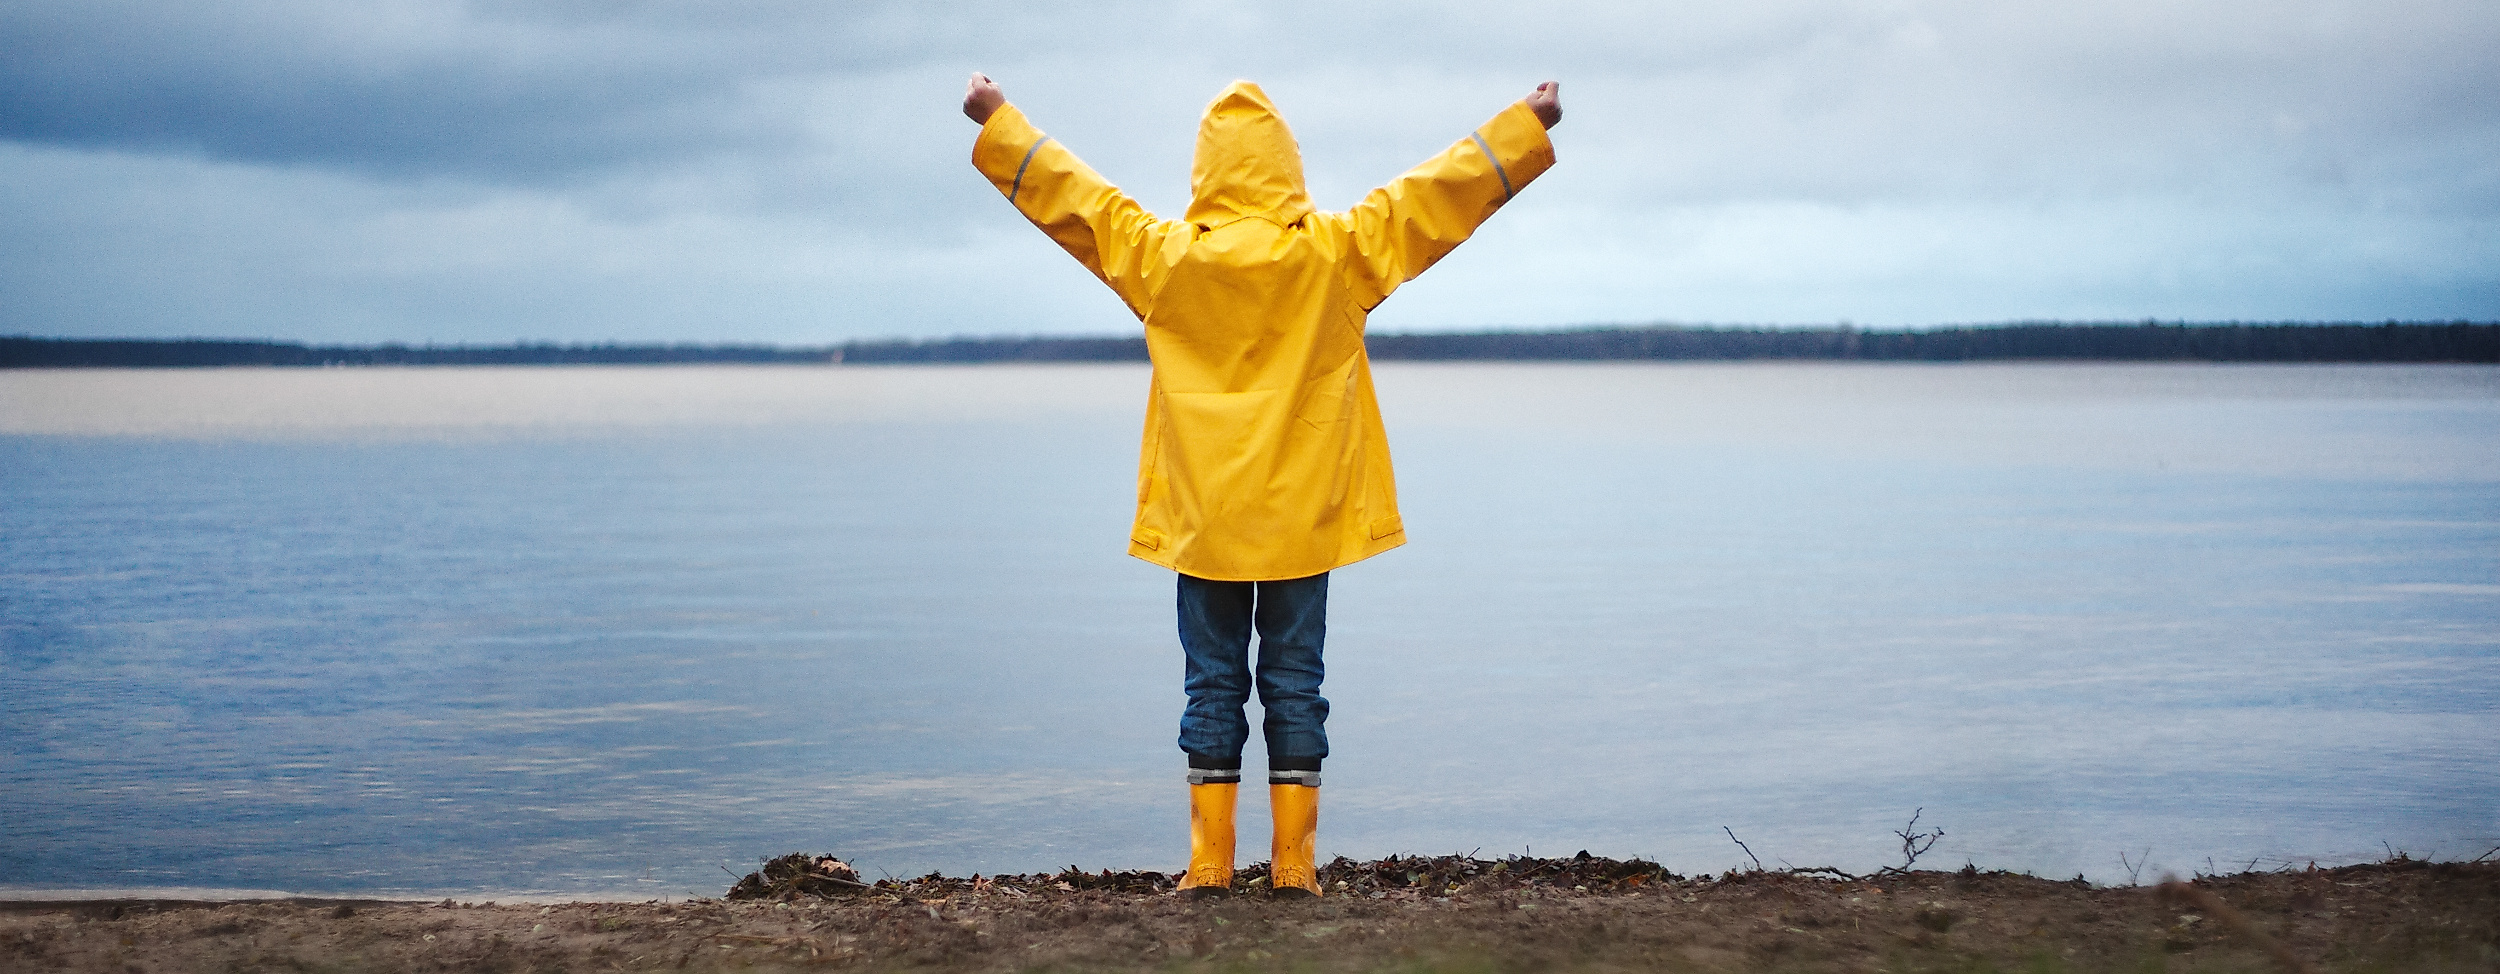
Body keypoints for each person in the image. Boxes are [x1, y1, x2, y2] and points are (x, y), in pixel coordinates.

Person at [963, 73, 1560, 898]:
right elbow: (1436, 197)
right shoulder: (1335, 254)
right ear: (1288, 167)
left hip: (1206, 521)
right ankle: (1294, 866)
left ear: (1205, 171)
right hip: (1300, 522)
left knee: (1211, 684)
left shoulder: (1163, 258)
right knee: (1294, 684)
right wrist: (1528, 124)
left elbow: (1077, 200)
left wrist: (997, 120)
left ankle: (1209, 864)